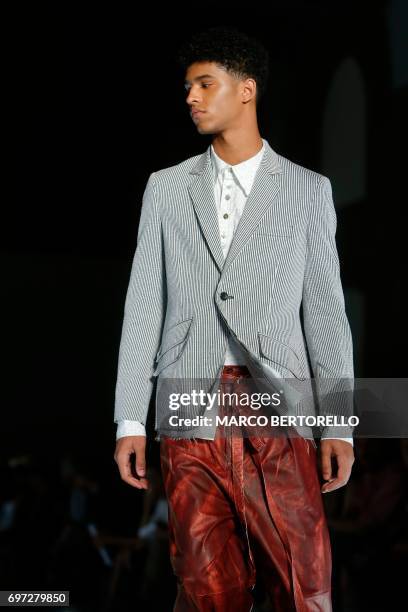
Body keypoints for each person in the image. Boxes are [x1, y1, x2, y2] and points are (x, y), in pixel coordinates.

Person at [113, 25, 355, 611]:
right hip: (189, 397)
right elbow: (145, 304)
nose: (190, 97)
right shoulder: (166, 188)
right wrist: (129, 421)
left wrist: (340, 424)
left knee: (303, 582)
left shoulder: (307, 189)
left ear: (246, 89)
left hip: (277, 400)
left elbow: (325, 310)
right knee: (204, 583)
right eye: (188, 86)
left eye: (205, 83)